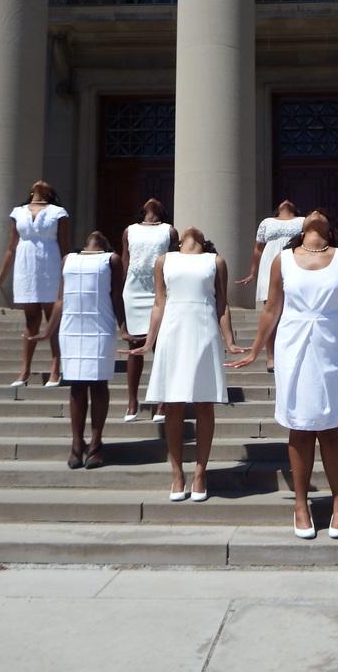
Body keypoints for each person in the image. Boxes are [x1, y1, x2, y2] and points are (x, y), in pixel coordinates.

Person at [226, 209, 338, 540]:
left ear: (330, 230)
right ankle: (301, 504)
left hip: (332, 346)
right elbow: (271, 308)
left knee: (331, 427)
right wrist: (254, 349)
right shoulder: (283, 259)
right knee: (300, 427)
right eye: (310, 214)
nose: (316, 212)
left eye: (322, 213)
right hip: (293, 345)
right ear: (303, 228)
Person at [128, 228, 242, 502]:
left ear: (203, 241)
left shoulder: (215, 261)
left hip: (203, 329)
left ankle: (200, 473)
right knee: (173, 403)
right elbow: (159, 303)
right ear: (179, 241)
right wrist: (148, 341)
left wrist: (230, 341)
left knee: (204, 403)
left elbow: (222, 304)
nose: (191, 227)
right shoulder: (164, 260)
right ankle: (177, 473)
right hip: (173, 330)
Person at [29, 231, 124, 470]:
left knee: (98, 383)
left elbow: (116, 297)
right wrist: (48, 331)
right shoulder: (68, 259)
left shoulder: (111, 259)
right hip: (73, 327)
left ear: (104, 243)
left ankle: (96, 442)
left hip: (100, 325)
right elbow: (60, 299)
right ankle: (76, 442)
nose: (95, 233)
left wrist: (123, 328)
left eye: (99, 235)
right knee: (77, 385)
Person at [0, 180, 70, 387]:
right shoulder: (18, 212)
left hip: (50, 264)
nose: (41, 182)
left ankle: (55, 369)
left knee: (52, 318)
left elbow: (64, 245)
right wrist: (0, 277)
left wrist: (67, 274)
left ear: (50, 192)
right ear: (31, 190)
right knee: (31, 320)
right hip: (26, 267)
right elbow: (11, 247)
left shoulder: (58, 212)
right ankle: (25, 370)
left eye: (46, 183)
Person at [120, 198, 178, 423]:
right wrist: (120, 290)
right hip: (134, 290)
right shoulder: (129, 231)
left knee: (160, 346)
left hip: (159, 290)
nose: (152, 200)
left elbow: (173, 260)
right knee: (135, 344)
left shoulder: (169, 231)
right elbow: (125, 261)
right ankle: (132, 401)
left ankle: (162, 402)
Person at [235, 200, 304, 371]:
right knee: (271, 313)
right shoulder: (266, 222)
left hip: (295, 261)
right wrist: (253, 272)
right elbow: (258, 248)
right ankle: (270, 356)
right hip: (269, 264)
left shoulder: (303, 221)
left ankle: (293, 353)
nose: (286, 200)